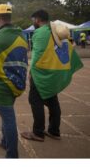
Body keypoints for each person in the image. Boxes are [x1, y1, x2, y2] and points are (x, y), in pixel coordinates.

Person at [21, 10, 83, 142]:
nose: (33, 23)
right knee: (52, 100)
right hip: (56, 71)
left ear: (37, 19)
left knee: (35, 100)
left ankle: (38, 132)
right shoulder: (56, 30)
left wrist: (31, 72)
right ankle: (54, 131)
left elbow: (37, 54)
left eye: (34, 20)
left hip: (42, 73)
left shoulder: (40, 32)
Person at [0, 4, 28, 158]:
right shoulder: (20, 35)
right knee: (6, 115)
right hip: (17, 84)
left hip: (1, 85)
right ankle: (5, 141)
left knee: (9, 119)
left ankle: (12, 155)